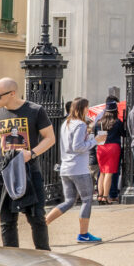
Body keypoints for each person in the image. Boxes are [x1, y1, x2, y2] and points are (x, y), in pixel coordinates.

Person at [0, 77, 56, 249]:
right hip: (4, 174)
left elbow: (50, 138)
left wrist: (31, 154)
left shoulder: (35, 110)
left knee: (37, 217)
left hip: (29, 171)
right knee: (7, 221)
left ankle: (44, 258)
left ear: (12, 93)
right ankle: (12, 262)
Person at [46, 97, 106, 242]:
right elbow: (78, 147)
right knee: (86, 199)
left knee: (69, 201)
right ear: (82, 108)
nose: (88, 109)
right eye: (87, 107)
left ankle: (43, 223)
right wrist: (94, 141)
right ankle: (83, 234)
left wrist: (89, 135)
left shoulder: (66, 123)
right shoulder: (80, 124)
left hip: (66, 167)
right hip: (78, 167)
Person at [93, 99, 124, 204]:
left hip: (101, 147)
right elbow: (123, 134)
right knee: (109, 173)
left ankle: (100, 196)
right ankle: (106, 197)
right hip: (113, 147)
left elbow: (96, 137)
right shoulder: (117, 122)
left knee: (102, 172)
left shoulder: (99, 123)